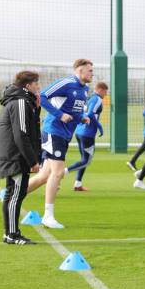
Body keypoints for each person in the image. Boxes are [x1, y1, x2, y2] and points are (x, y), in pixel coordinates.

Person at [27, 59, 92, 229]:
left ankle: (12, 197)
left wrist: (81, 118)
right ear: (79, 70)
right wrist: (59, 115)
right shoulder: (66, 83)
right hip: (53, 131)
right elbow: (42, 97)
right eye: (89, 70)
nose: (92, 73)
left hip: (64, 136)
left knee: (43, 177)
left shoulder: (85, 90)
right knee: (57, 173)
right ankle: (48, 216)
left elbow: (74, 111)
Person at [0, 71, 41, 244]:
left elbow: (28, 128)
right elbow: (21, 134)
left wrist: (37, 108)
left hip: (14, 154)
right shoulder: (21, 102)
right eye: (36, 83)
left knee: (13, 194)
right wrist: (32, 160)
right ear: (28, 85)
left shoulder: (23, 101)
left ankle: (11, 233)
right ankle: (12, 234)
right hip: (16, 156)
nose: (38, 87)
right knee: (15, 195)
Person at [65, 81, 108, 191]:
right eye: (105, 91)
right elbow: (90, 114)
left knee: (83, 159)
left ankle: (78, 184)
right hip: (87, 133)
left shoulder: (89, 98)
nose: (106, 94)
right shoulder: (97, 99)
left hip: (80, 132)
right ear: (100, 90)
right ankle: (61, 173)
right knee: (86, 161)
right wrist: (99, 126)